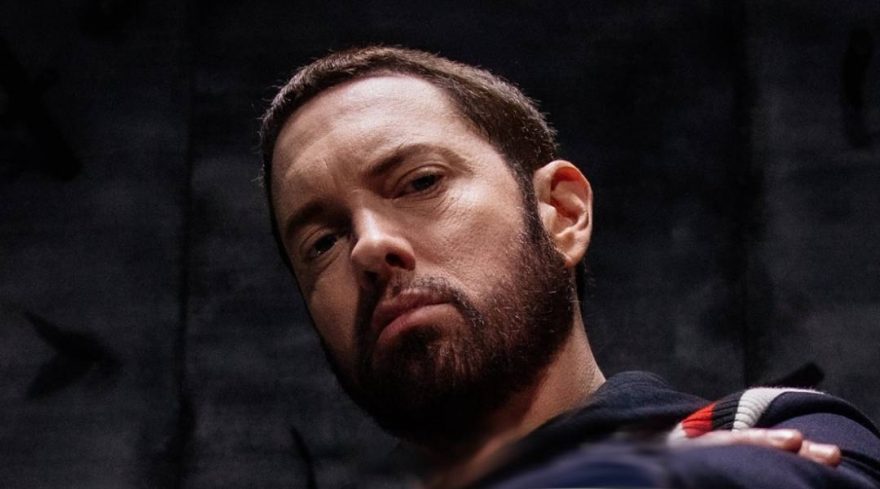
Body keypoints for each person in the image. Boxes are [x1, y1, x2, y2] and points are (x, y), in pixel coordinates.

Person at [259, 46, 880, 488]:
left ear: (562, 213)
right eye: (321, 243)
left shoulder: (778, 428)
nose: (368, 246)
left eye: (420, 182)